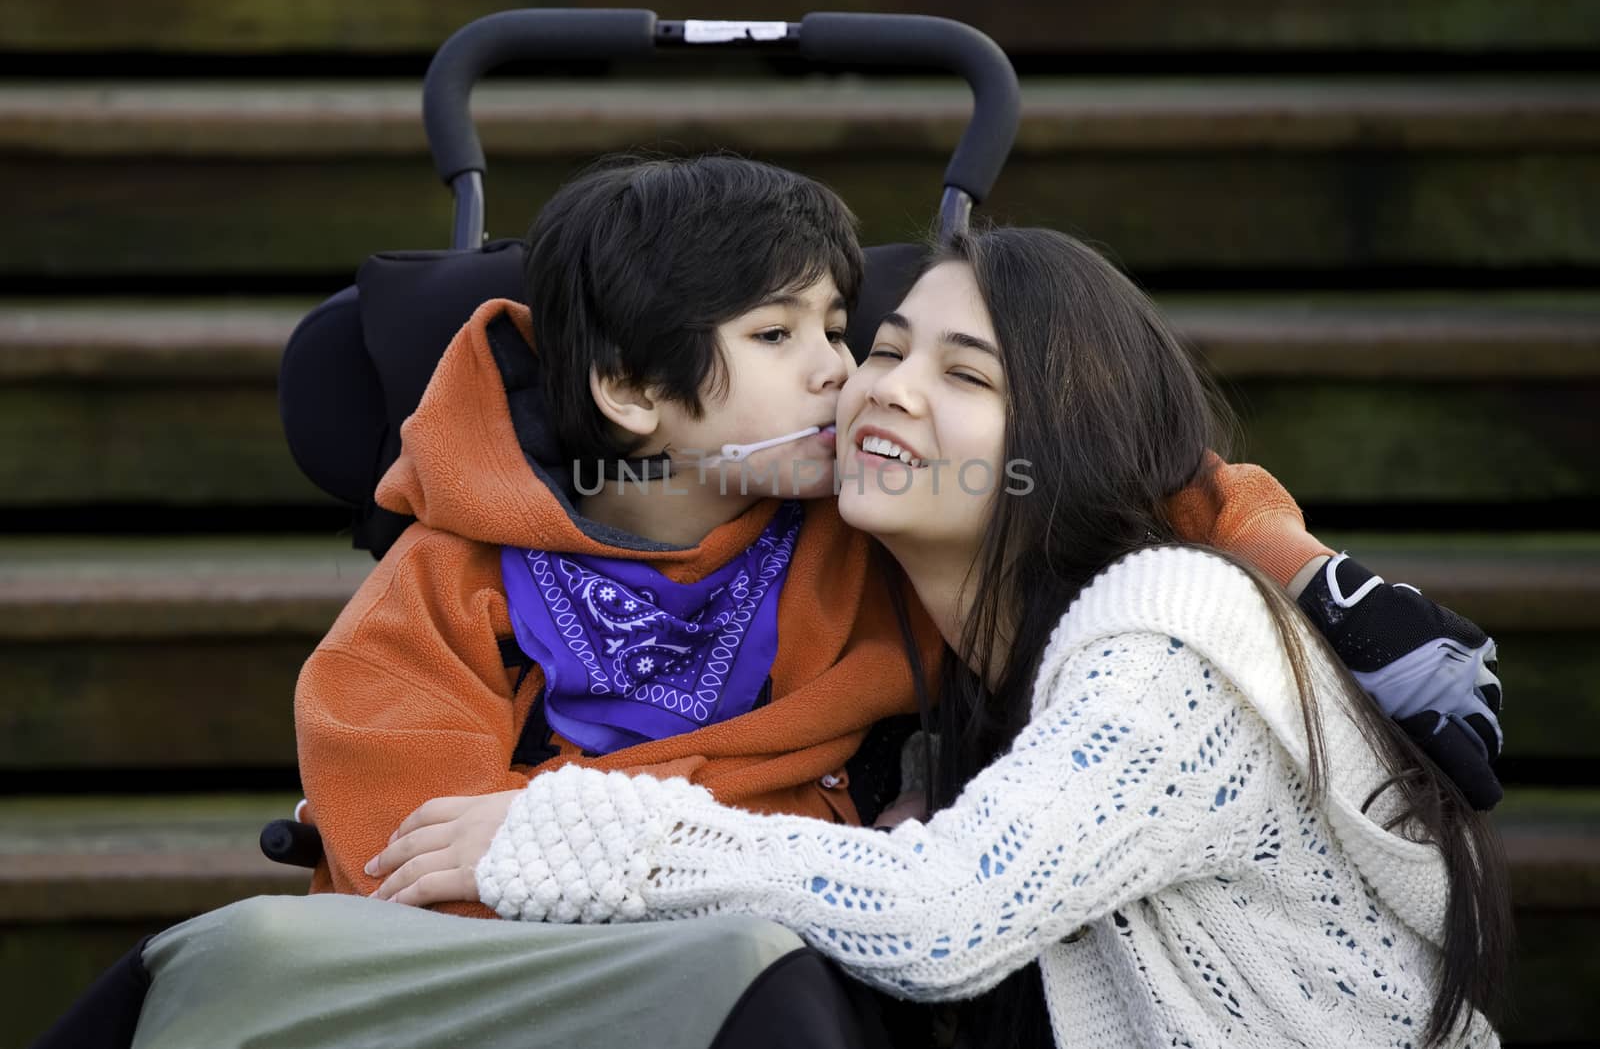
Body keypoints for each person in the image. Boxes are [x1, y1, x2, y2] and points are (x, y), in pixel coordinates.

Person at [36, 160, 1499, 1049]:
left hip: (781, 940)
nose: (853, 376)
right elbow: (403, 821)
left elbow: (1146, 479)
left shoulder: (900, 554)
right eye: (794, 338)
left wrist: (1313, 574)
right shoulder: (458, 572)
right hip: (539, 954)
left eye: (849, 331)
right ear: (628, 393)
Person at [459, 227, 1511, 1048]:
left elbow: (940, 912)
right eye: (884, 348)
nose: (887, 387)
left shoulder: (1165, 650)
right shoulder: (947, 664)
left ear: (1063, 442)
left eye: (967, 375)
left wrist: (557, 830)